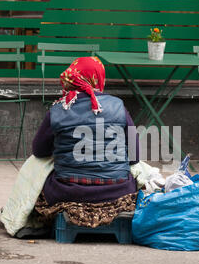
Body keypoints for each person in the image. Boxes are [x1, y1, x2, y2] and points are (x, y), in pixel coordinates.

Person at [32, 56, 139, 209]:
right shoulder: (118, 105)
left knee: (36, 170)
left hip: (67, 192)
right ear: (99, 78)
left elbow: (39, 151)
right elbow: (135, 156)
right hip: (119, 192)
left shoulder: (58, 109)